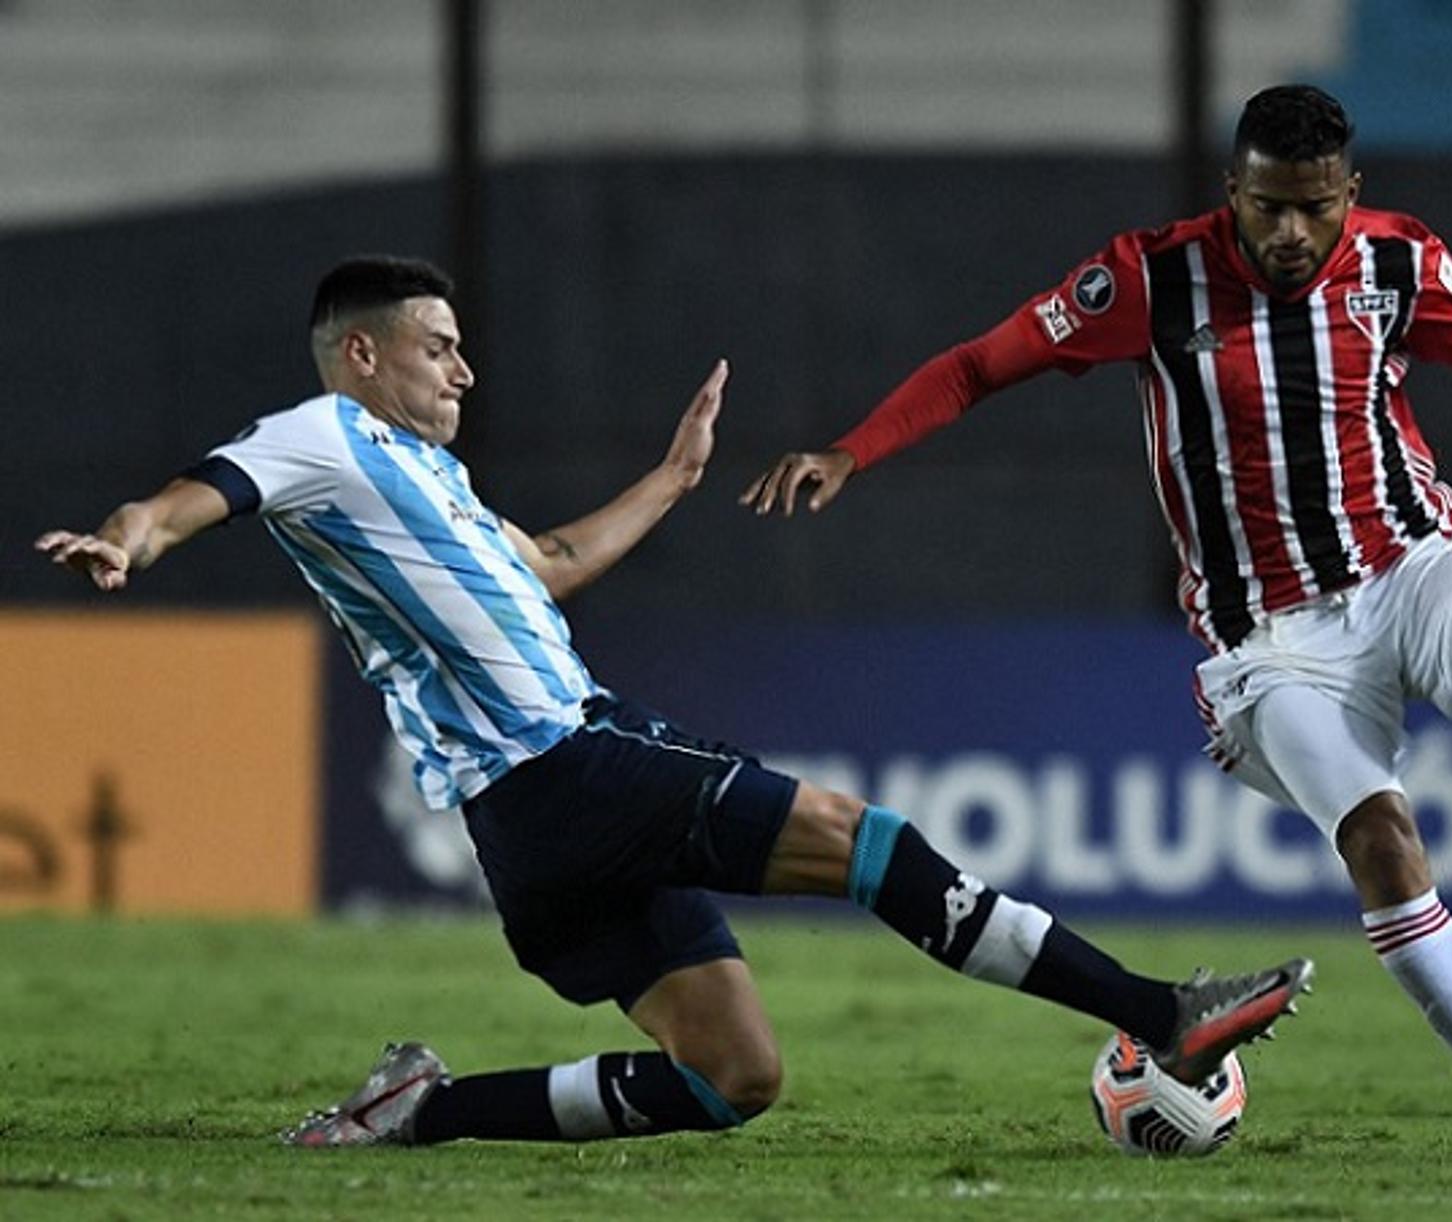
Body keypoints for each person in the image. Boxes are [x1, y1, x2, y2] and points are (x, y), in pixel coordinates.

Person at [742, 85, 1452, 1166]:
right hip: (1267, 640)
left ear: (1349, 192)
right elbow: (983, 364)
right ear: (1233, 190)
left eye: (1315, 206)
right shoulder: (1148, 277)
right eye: (1268, 206)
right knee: (1383, 843)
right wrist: (853, 449)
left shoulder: (1400, 262)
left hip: (1406, 557)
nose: (1291, 231)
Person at [36, 256, 1313, 1149]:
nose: (465, 370)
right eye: (440, 347)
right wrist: (129, 538)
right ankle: (1161, 1013)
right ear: (363, 354)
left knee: (735, 1076)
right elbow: (202, 488)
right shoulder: (325, 434)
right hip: (563, 768)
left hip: (538, 828)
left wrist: (671, 476)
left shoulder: (428, 480)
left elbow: (552, 564)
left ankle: (419, 1111)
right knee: (868, 841)